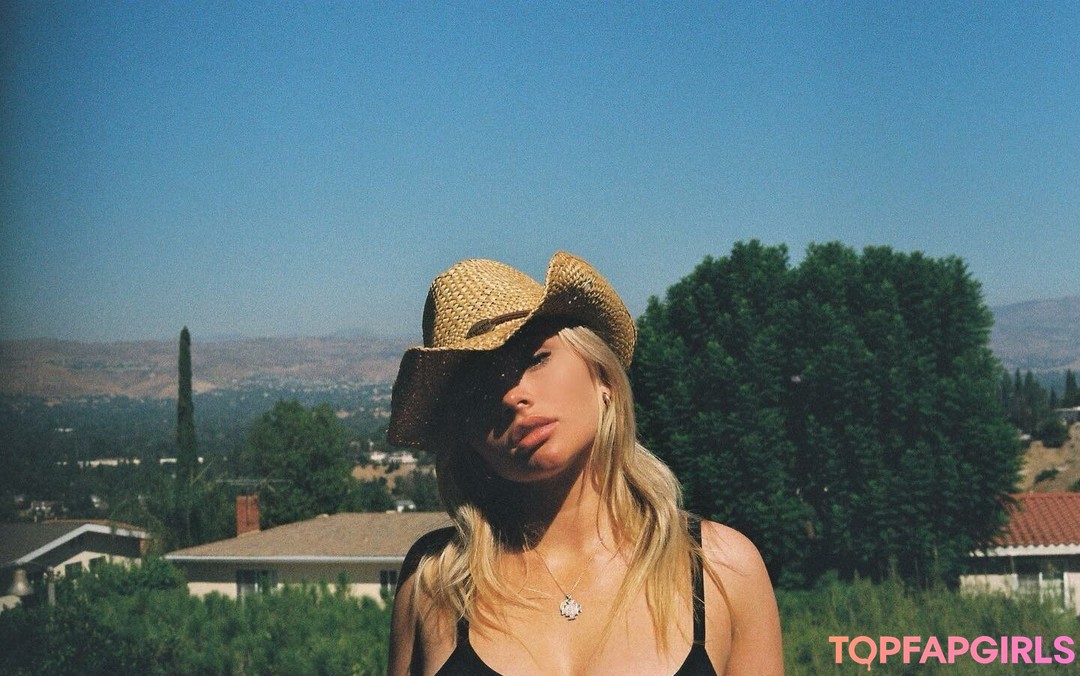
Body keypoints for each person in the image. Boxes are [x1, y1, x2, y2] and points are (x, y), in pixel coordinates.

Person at [387, 251, 783, 675]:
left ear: (603, 376)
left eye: (534, 358)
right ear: (465, 435)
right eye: (478, 387)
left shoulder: (720, 568)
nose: (512, 396)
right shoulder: (434, 582)